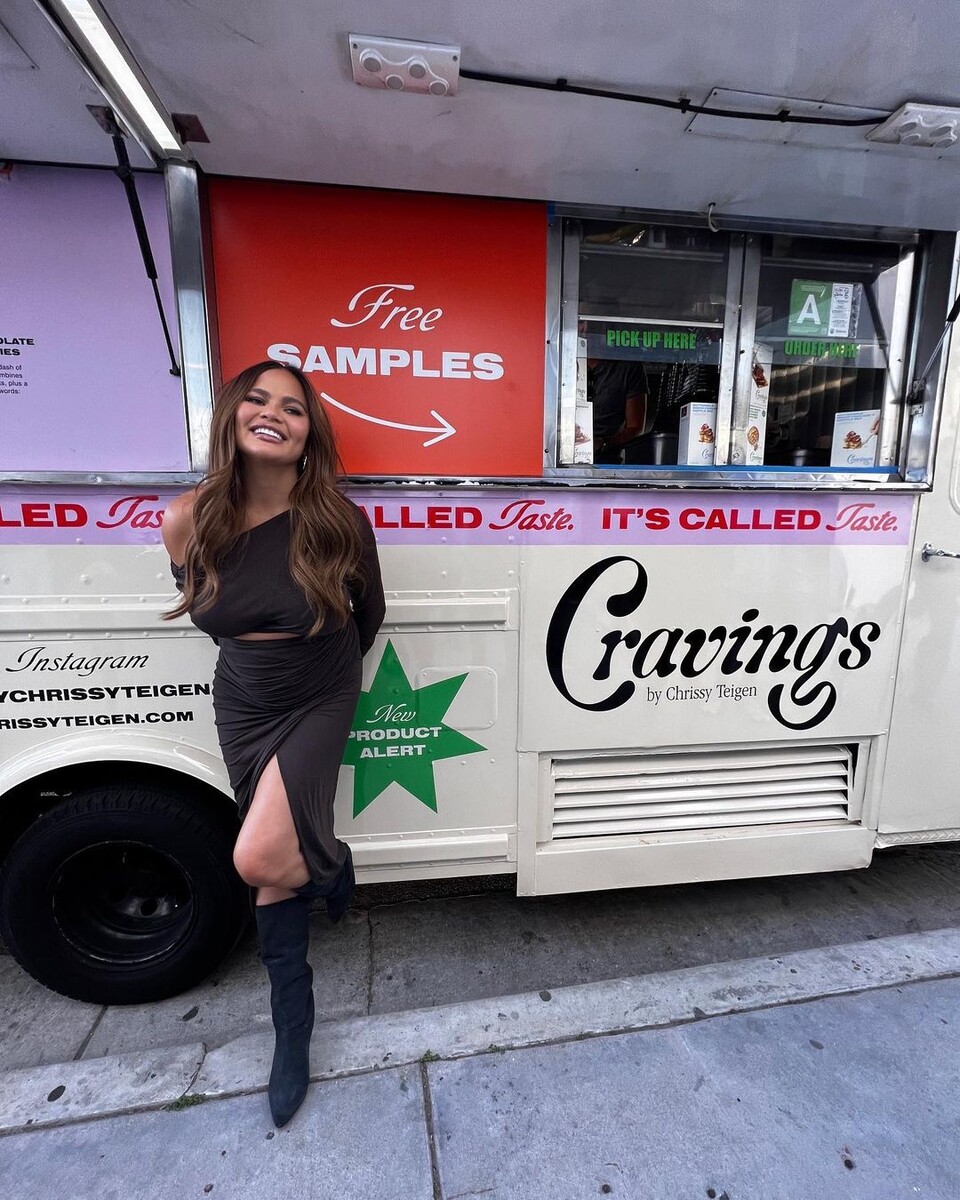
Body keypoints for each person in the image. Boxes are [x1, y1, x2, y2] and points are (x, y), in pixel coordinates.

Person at [162, 360, 385, 1128]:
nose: (274, 414)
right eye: (258, 399)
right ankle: (293, 1034)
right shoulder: (187, 519)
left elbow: (369, 614)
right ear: (231, 415)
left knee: (259, 857)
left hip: (322, 689)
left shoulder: (337, 520)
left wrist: (325, 677)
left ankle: (326, 875)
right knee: (273, 862)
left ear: (307, 434)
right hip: (244, 701)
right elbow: (206, 608)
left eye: (293, 408)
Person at [588, 357, 652, 464]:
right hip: (561, 452)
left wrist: (603, 444)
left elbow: (635, 428)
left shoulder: (628, 365)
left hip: (605, 459)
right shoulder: (563, 359)